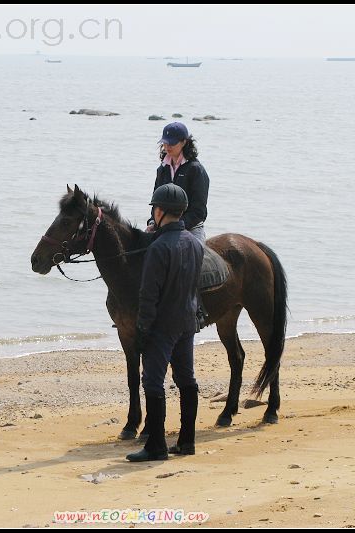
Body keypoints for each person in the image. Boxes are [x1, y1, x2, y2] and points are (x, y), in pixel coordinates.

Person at [126, 184, 204, 462]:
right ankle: (187, 441)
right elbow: (195, 287)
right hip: (187, 322)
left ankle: (157, 446)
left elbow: (149, 295)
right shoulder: (195, 243)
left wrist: (142, 330)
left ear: (159, 211)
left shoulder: (158, 247)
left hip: (162, 325)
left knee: (153, 382)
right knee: (186, 379)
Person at [147, 122, 210, 243]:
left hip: (191, 230)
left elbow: (198, 212)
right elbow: (156, 203)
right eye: (165, 142)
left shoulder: (196, 170)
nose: (167, 146)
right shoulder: (162, 169)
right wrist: (152, 223)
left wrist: (174, 228)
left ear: (184, 142)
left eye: (172, 143)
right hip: (164, 228)